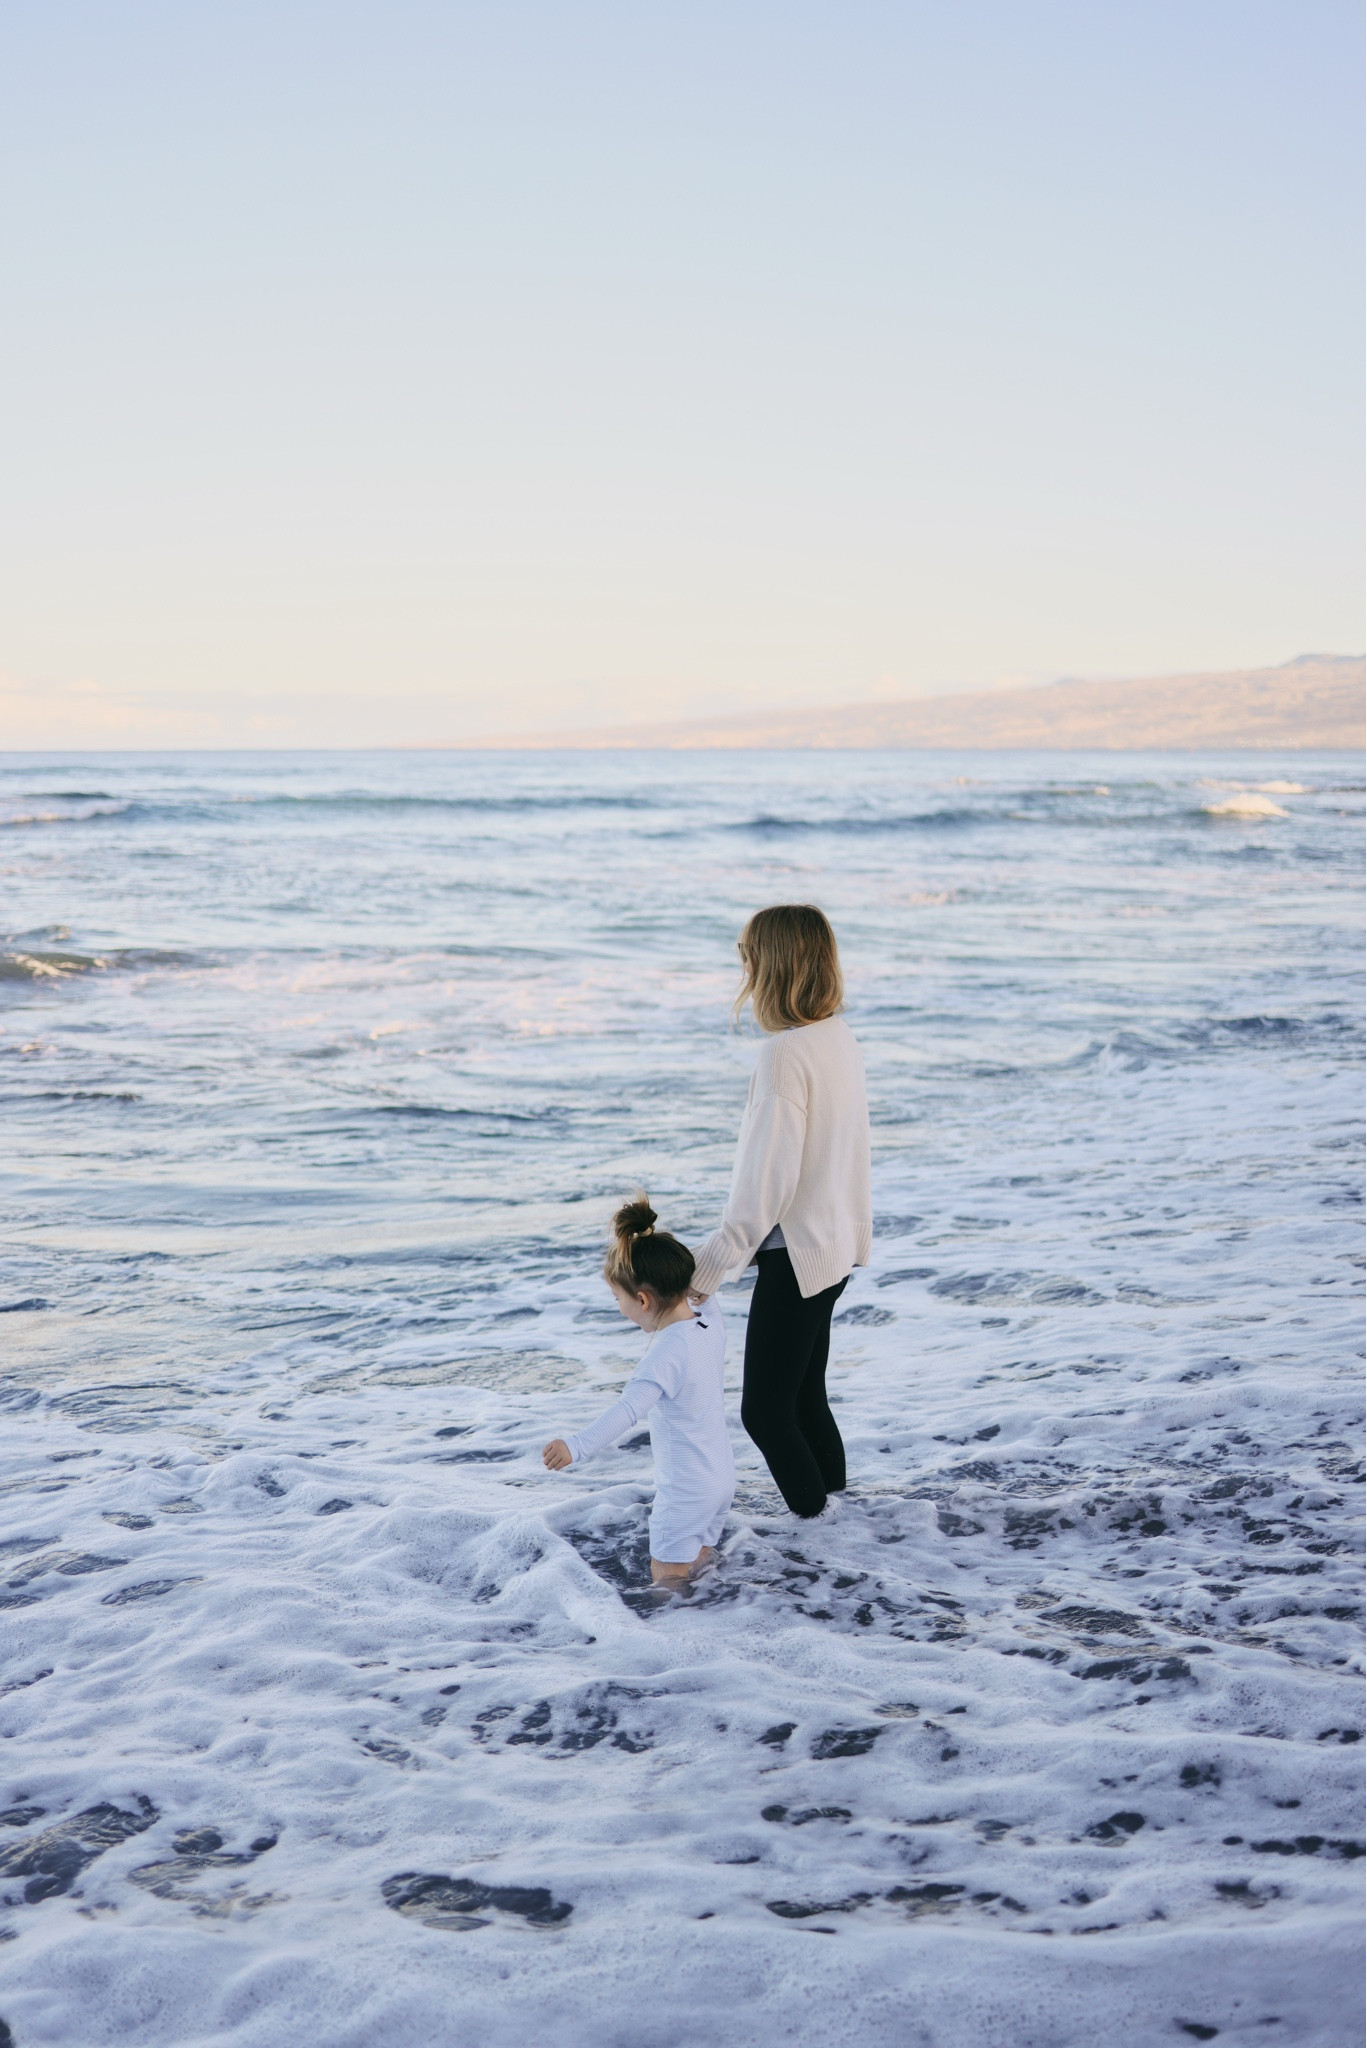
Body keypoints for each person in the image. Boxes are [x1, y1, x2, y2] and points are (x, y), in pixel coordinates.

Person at [689, 905, 871, 1520]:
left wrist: (707, 1270)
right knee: (805, 1399)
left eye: (746, 955)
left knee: (765, 1412)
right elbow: (849, 1152)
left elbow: (766, 1181)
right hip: (833, 1247)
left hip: (796, 1252)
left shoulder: (785, 1054)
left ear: (772, 964)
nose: (741, 968)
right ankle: (841, 1523)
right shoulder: (836, 1038)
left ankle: (819, 1534)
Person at [543, 1197, 735, 1585]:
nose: (619, 1305)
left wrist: (574, 1446)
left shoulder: (663, 1355)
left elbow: (627, 1412)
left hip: (684, 1492)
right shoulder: (709, 1322)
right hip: (720, 1480)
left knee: (667, 1577)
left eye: (618, 1298)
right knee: (700, 1562)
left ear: (643, 1300)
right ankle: (723, 1613)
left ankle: (679, 1637)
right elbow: (704, 1286)